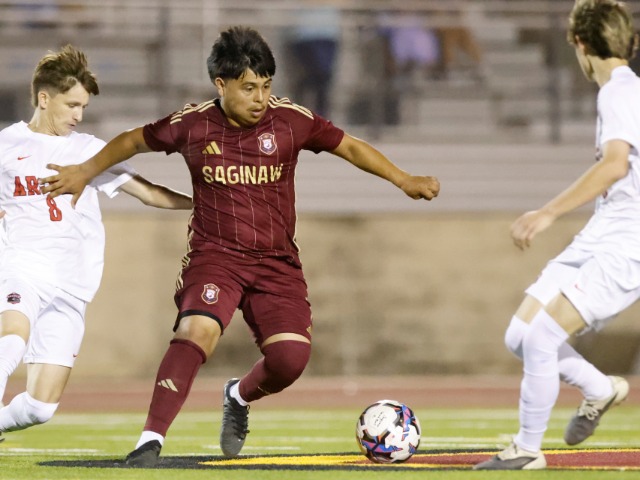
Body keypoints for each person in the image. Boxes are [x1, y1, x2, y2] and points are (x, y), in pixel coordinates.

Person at [39, 26, 440, 467]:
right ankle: (149, 441)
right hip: (216, 256)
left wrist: (403, 179)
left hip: (277, 262)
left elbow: (349, 146)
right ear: (221, 84)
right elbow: (133, 140)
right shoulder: (191, 125)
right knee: (197, 331)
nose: (260, 98)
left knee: (289, 360)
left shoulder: (291, 120)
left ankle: (238, 395)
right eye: (249, 88)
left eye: (266, 86)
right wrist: (84, 171)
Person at [475, 0, 637, 470]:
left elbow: (615, 165)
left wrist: (547, 212)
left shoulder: (618, 93)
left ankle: (527, 449)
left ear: (580, 44)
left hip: (627, 242)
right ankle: (601, 389)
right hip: (603, 231)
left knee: (543, 336)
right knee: (521, 334)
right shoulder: (624, 91)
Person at [0, 45, 192, 441]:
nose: (79, 115)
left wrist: (206, 204)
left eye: (83, 107)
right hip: (21, 267)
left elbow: (150, 193)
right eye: (72, 105)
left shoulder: (87, 151)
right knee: (12, 338)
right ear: (44, 98)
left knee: (39, 408)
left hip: (71, 284)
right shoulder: (7, 145)